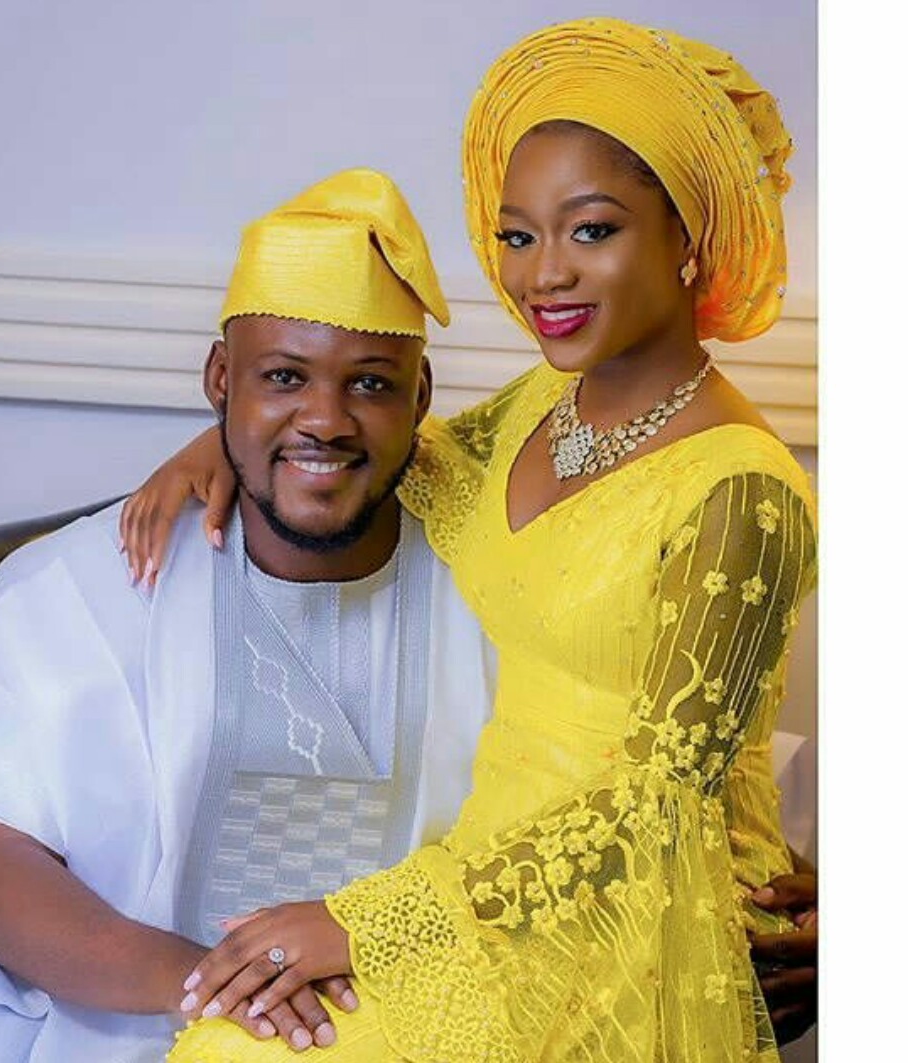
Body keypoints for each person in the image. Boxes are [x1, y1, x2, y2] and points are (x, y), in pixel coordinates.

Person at [121, 18, 818, 1063]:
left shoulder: (742, 491)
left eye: (591, 230)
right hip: (495, 880)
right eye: (517, 236)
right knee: (232, 1040)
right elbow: (404, 452)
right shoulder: (545, 408)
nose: (545, 275)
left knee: (242, 1051)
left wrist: (366, 921)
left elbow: (653, 808)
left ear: (688, 238)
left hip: (643, 910)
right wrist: (230, 435)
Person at [0, 169, 498, 1062]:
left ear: (420, 399)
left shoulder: (494, 593)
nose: (325, 419)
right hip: (128, 1024)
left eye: (371, 384)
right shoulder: (73, 589)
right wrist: (230, 1001)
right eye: (284, 376)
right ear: (221, 380)